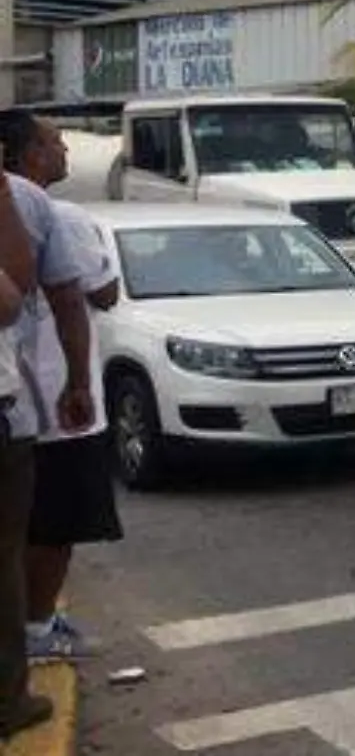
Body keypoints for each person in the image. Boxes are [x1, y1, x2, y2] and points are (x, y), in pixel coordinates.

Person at [6, 116, 122, 661]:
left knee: (26, 524)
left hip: (22, 398)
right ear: (30, 154)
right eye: (54, 142)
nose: (64, 148)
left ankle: (33, 623)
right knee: (56, 524)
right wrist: (79, 383)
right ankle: (35, 631)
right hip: (54, 399)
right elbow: (98, 295)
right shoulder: (59, 213)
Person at [0, 133, 87, 739]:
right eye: (54, 142)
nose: (64, 150)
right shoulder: (28, 201)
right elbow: (14, 295)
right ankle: (8, 699)